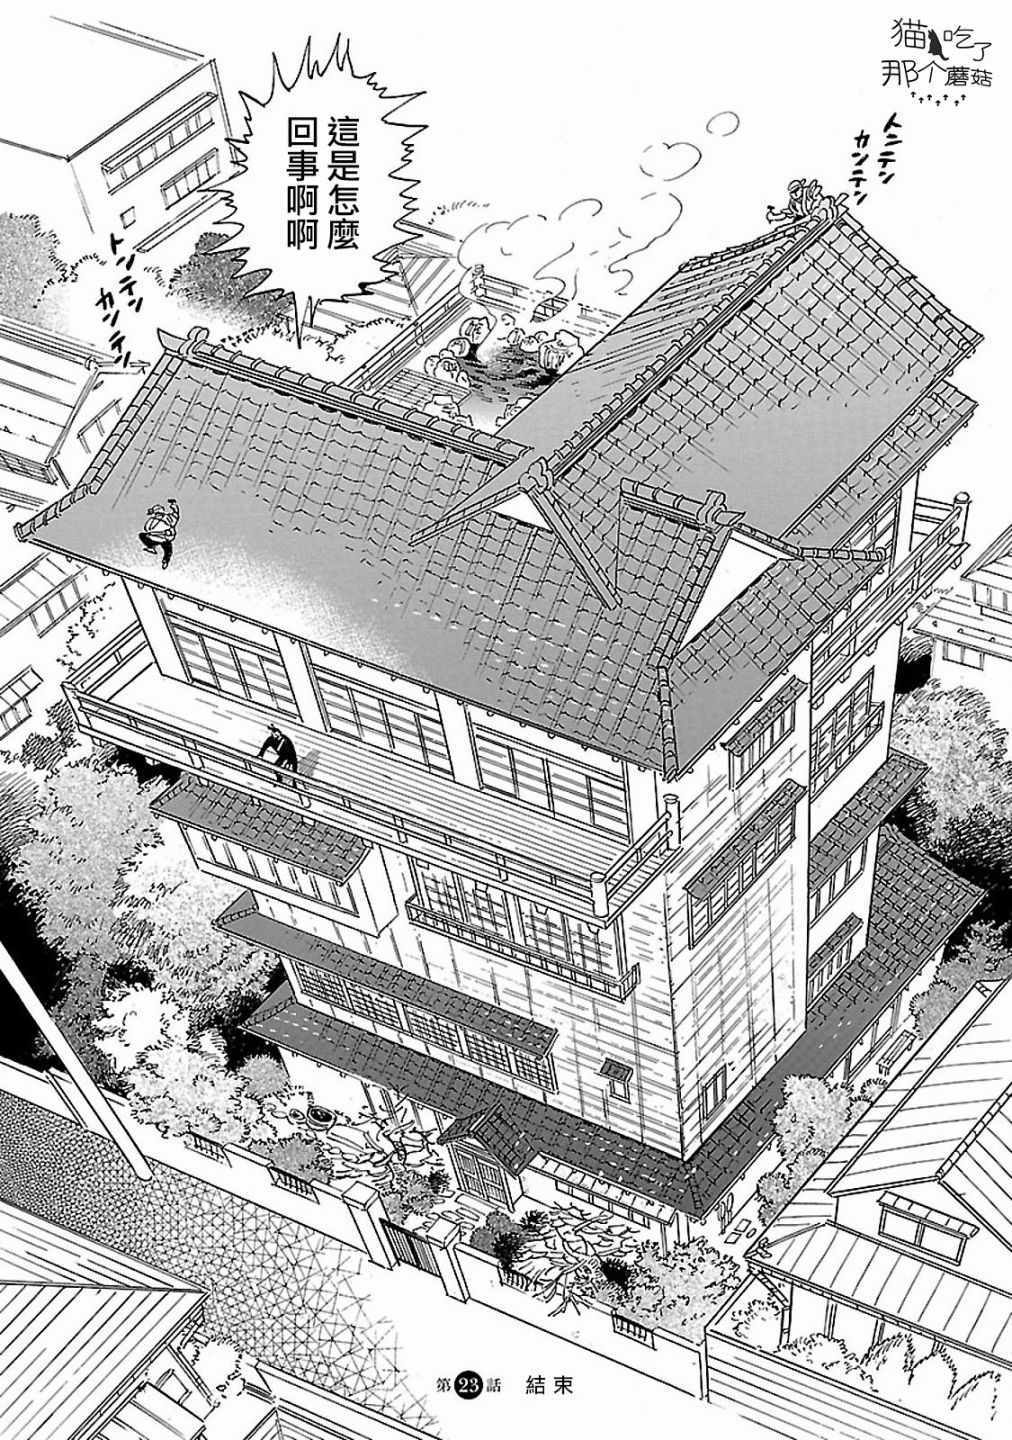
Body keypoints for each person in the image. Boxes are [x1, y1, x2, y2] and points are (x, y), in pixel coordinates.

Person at [138, 498, 180, 569]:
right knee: (142, 535)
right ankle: (152, 548)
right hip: (157, 538)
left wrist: (173, 505)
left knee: (168, 550)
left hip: (163, 538)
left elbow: (175, 514)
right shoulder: (154, 519)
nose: (157, 515)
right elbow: (147, 529)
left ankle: (165, 561)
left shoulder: (166, 518)